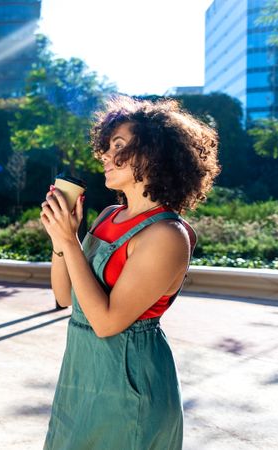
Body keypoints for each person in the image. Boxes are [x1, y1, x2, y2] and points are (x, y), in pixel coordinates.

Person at [40, 96, 220, 450]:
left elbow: (107, 323)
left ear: (154, 154)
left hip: (129, 383)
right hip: (81, 375)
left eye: (118, 145)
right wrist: (61, 239)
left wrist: (71, 243)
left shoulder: (167, 236)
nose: (105, 155)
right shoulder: (109, 215)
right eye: (106, 147)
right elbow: (65, 297)